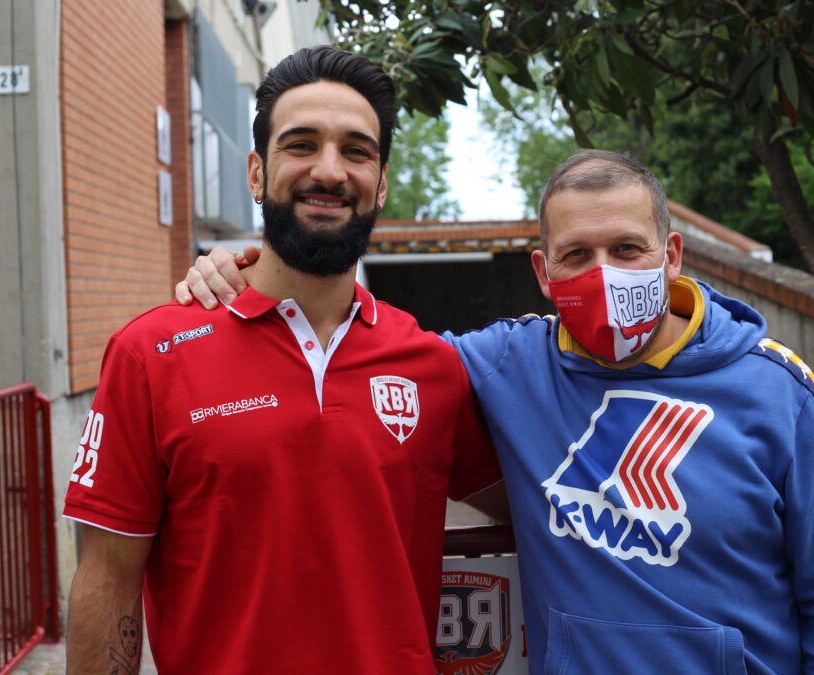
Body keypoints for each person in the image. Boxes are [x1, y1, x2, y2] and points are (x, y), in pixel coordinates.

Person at [182, 150, 814, 674]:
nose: (603, 272)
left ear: (671, 256)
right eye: (576, 254)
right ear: (542, 272)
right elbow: (359, 354)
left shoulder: (776, 388)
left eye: (626, 248)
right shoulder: (504, 367)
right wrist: (241, 280)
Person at [64, 46, 503, 675]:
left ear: (380, 184)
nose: (330, 170)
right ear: (255, 172)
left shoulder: (432, 365)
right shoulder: (150, 354)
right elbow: (107, 578)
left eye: (356, 150)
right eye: (301, 145)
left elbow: (546, 515)